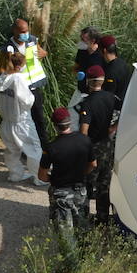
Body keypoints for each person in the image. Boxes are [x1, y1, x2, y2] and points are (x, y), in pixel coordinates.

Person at [38, 106, 95, 264]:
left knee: (65, 232)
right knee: (82, 226)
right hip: (80, 191)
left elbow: (42, 175)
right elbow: (93, 164)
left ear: (55, 125)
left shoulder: (51, 148)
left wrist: (54, 179)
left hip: (61, 193)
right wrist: (82, 173)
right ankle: (86, 259)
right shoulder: (85, 140)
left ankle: (72, 267)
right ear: (70, 121)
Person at [76, 65, 120, 226]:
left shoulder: (87, 103)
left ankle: (84, 216)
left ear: (88, 81)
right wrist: (112, 128)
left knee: (86, 182)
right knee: (104, 183)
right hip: (107, 146)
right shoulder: (111, 98)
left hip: (93, 148)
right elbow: (123, 114)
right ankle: (102, 217)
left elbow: (83, 131)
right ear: (102, 81)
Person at [0, 51, 43, 183]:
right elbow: (27, 101)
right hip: (21, 121)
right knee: (33, 148)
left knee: (12, 150)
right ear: (19, 65)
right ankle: (39, 178)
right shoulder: (18, 78)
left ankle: (15, 174)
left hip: (6, 121)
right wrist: (32, 96)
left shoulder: (1, 78)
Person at [3, 17, 50, 146]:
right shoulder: (9, 47)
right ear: (15, 30)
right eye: (22, 32)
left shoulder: (32, 40)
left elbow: (42, 52)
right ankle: (24, 146)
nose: (25, 34)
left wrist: (43, 53)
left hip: (34, 85)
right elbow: (3, 68)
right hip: (20, 89)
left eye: (26, 31)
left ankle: (44, 146)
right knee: (23, 119)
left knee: (39, 118)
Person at [101, 35, 134, 104]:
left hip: (116, 107)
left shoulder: (111, 70)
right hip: (127, 104)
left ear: (104, 50)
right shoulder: (124, 64)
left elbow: (109, 95)